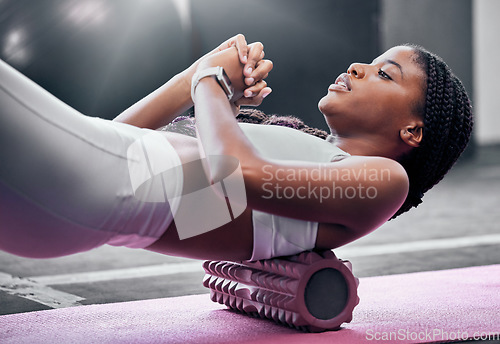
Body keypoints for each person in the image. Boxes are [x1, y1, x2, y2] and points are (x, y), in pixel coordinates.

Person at [0, 34, 473, 262]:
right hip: (76, 191)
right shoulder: (305, 153)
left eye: (385, 74)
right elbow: (114, 138)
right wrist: (197, 79)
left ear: (412, 131)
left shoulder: (385, 181)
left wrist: (211, 84)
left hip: (89, 195)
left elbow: (237, 181)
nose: (357, 67)